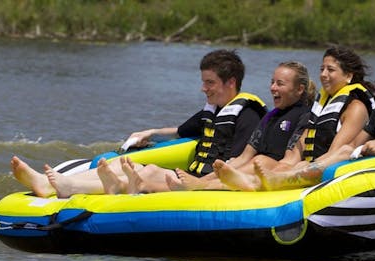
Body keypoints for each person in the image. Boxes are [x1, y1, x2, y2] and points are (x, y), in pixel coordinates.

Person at [11, 49, 267, 198]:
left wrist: (201, 181)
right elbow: (179, 131)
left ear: (230, 82)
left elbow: (238, 163)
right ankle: (53, 184)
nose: (203, 89)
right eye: (203, 81)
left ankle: (70, 187)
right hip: (191, 176)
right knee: (123, 163)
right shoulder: (214, 111)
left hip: (204, 182)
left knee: (149, 172)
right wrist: (150, 133)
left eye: (210, 83)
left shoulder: (247, 114)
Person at [255, 46, 375, 191]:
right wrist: (310, 164)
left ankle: (286, 179)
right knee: (346, 149)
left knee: (344, 152)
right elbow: (354, 144)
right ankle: (272, 180)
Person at [113, 61, 317, 193]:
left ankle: (199, 187)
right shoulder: (269, 117)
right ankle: (191, 185)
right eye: (272, 82)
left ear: (299, 89)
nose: (273, 88)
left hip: (278, 172)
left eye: (280, 84)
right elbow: (244, 157)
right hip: (255, 167)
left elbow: (291, 160)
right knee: (250, 161)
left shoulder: (306, 116)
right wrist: (208, 176)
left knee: (261, 161)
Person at [200, 46, 375, 191]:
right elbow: (294, 154)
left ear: (348, 76)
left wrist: (296, 168)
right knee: (284, 165)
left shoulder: (356, 108)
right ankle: (209, 184)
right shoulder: (319, 109)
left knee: (295, 165)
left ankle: (215, 185)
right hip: (308, 164)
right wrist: (283, 166)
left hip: (330, 169)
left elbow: (335, 153)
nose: (323, 74)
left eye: (330, 70)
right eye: (322, 69)